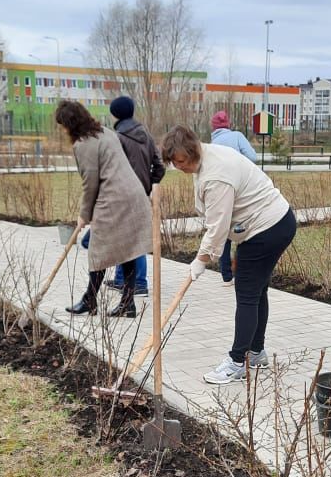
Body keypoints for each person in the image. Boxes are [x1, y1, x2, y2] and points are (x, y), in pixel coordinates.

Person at [160, 126, 296, 385]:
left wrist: (201, 260)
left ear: (192, 151)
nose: (178, 167)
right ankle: (255, 353)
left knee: (246, 293)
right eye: (173, 163)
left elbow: (218, 227)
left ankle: (237, 363)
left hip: (266, 228)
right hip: (275, 222)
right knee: (256, 291)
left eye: (180, 161)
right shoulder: (207, 157)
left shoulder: (216, 176)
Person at [56, 100, 152, 318]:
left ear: (70, 124)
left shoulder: (83, 144)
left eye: (62, 125)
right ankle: (127, 303)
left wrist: (84, 215)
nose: (62, 130)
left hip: (114, 200)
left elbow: (90, 183)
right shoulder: (106, 132)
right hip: (133, 194)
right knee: (127, 250)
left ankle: (90, 300)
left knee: (97, 249)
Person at [106, 96, 165, 298]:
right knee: (130, 237)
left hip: (122, 195)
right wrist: (147, 185)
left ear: (115, 114)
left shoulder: (117, 138)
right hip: (140, 194)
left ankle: (138, 282)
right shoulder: (146, 135)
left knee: (127, 239)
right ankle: (123, 279)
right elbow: (159, 166)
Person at [210, 110, 258, 283]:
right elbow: (252, 156)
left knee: (226, 231)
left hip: (222, 191)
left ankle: (226, 274)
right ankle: (242, 271)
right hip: (242, 189)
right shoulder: (237, 136)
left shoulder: (213, 143)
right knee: (244, 230)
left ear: (214, 127)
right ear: (227, 124)